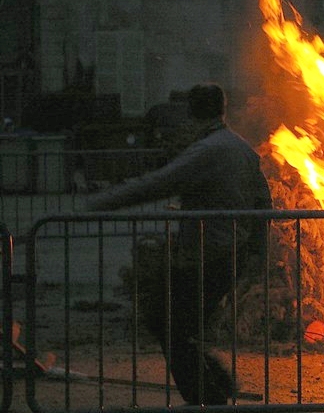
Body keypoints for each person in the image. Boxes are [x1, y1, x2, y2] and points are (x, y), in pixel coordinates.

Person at [85, 83, 272, 405]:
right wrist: (256, 248)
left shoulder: (208, 151)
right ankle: (217, 387)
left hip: (208, 255)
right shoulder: (239, 147)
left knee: (168, 322)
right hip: (227, 253)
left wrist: (97, 204)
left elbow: (156, 184)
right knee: (177, 323)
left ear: (192, 112)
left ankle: (210, 396)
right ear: (221, 109)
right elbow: (262, 202)